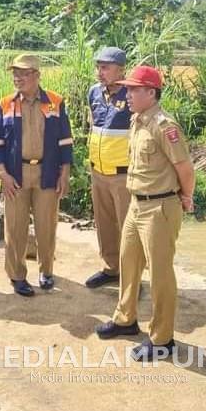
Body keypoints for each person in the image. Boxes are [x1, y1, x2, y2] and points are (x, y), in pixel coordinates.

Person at [95, 66, 195, 361]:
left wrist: (186, 197)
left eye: (134, 89)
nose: (127, 94)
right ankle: (125, 319)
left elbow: (185, 169)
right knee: (129, 262)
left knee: (160, 272)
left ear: (151, 93)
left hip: (160, 207)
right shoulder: (137, 120)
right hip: (137, 204)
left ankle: (162, 338)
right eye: (127, 89)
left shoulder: (165, 126)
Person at [0, 54, 73, 297]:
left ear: (37, 75)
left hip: (46, 173)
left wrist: (64, 173)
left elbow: (65, 141)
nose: (17, 78)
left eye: (23, 73)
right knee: (15, 228)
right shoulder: (5, 103)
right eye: (15, 73)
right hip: (15, 176)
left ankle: (46, 271)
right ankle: (17, 276)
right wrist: (2, 173)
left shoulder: (55, 102)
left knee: (47, 226)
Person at [84, 47, 132, 289]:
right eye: (98, 67)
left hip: (123, 174)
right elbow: (94, 127)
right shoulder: (93, 93)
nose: (99, 72)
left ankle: (131, 276)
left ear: (121, 70)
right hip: (98, 172)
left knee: (128, 228)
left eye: (105, 67)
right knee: (104, 223)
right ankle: (111, 268)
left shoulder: (132, 95)